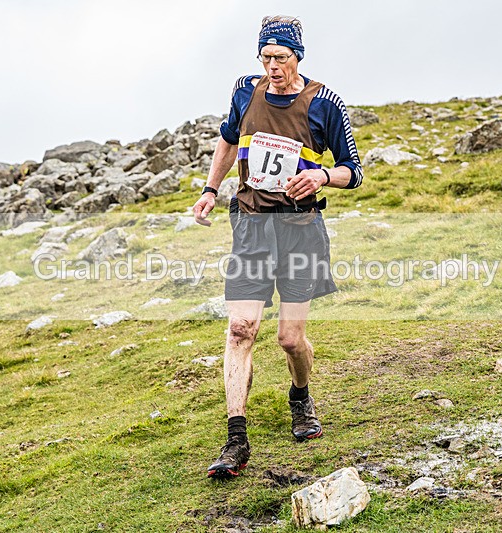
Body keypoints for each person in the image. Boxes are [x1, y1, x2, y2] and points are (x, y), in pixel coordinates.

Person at [192, 15, 363, 480]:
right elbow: (229, 140)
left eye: (281, 58)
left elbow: (354, 169)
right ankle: (235, 440)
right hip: (250, 226)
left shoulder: (324, 102)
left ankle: (300, 395)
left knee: (290, 338)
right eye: (265, 57)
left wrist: (322, 176)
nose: (272, 66)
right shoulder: (245, 90)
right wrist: (210, 189)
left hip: (300, 229)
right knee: (241, 328)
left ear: (298, 57)